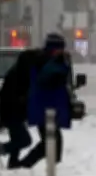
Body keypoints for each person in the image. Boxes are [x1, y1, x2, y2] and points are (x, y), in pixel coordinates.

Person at [18, 35, 72, 168]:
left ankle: (47, 167)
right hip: (44, 108)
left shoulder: (48, 61)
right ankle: (28, 166)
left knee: (51, 141)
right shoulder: (46, 62)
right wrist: (63, 65)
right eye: (61, 48)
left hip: (48, 108)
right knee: (51, 142)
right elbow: (48, 78)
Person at [0, 50, 37, 168]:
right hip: (12, 114)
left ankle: (13, 164)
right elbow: (13, 97)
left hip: (14, 113)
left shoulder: (20, 73)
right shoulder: (17, 75)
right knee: (25, 140)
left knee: (17, 140)